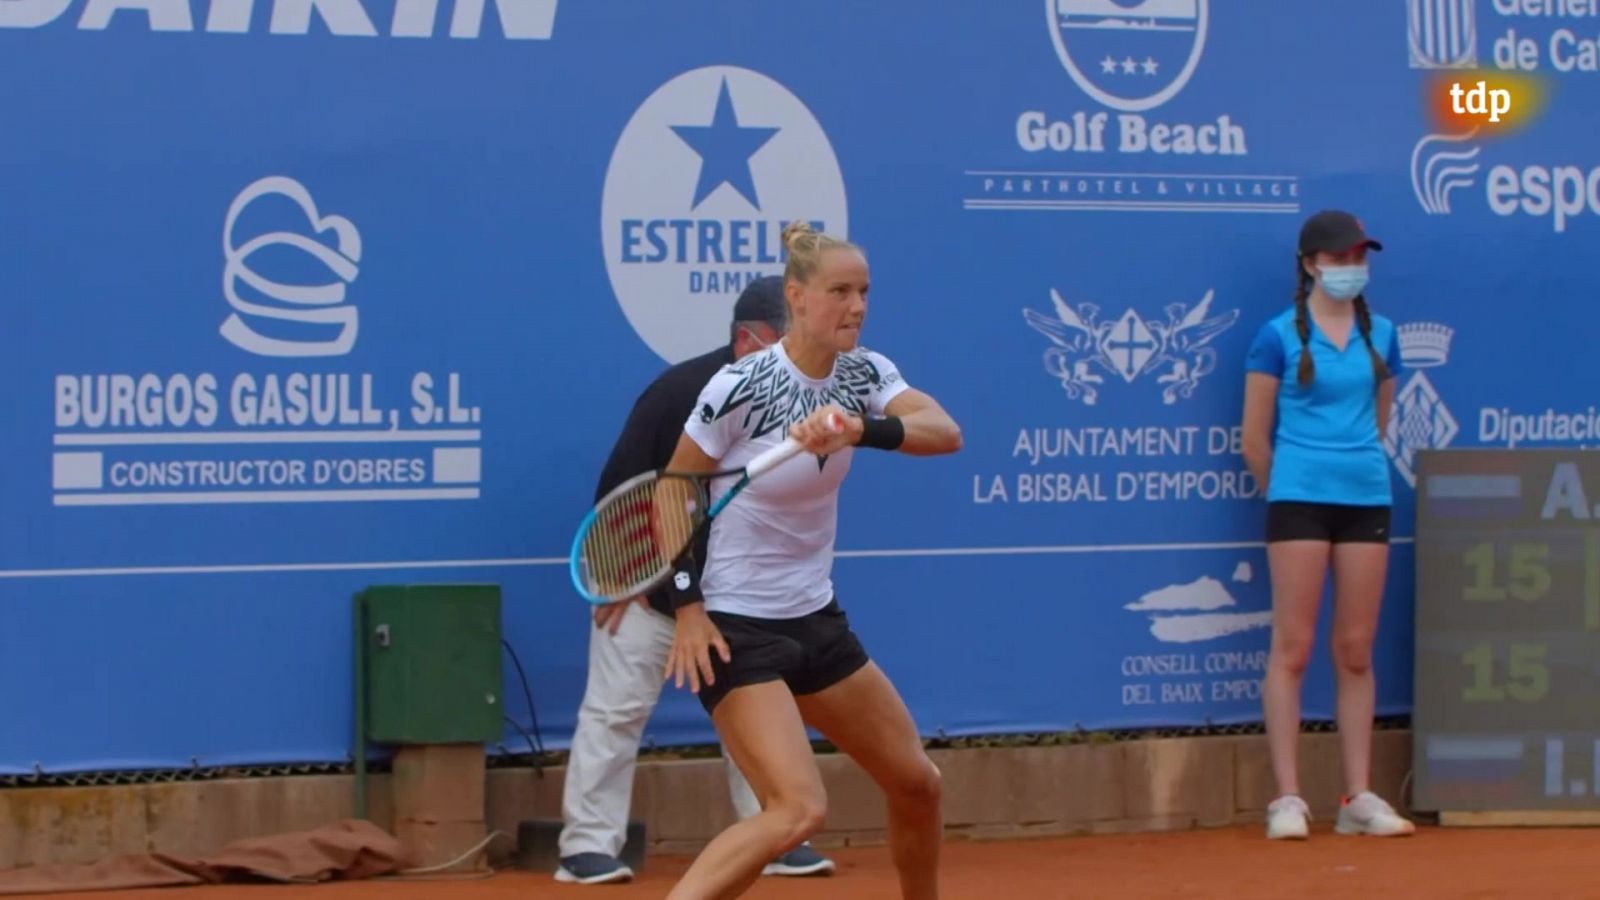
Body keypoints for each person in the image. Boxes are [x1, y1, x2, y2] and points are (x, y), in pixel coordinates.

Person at [658, 221, 963, 900]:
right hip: (738, 630)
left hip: (816, 622)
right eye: (839, 292)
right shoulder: (739, 386)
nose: (856, 306)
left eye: (863, 292)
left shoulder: (865, 373)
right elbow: (674, 490)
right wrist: (687, 606)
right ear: (797, 297)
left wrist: (861, 426)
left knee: (918, 784)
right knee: (796, 811)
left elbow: (945, 432)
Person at [556, 277, 837, 884]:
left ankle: (776, 833)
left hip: (738, 599)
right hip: (652, 595)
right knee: (614, 712)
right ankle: (586, 848)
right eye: (785, 345)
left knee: (756, 718)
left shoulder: (799, 402)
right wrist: (623, 577)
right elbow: (623, 492)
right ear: (746, 340)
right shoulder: (678, 393)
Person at [1241, 209, 1416, 841]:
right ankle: (1287, 798)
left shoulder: (1384, 335)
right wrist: (1290, 491)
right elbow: (1254, 438)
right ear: (1311, 263)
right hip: (1298, 503)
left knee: (1354, 651)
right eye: (1338, 259)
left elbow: (1381, 422)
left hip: (1367, 499)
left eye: (1358, 259)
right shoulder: (1276, 335)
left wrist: (1349, 470)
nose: (1350, 269)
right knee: (1292, 648)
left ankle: (1357, 797)